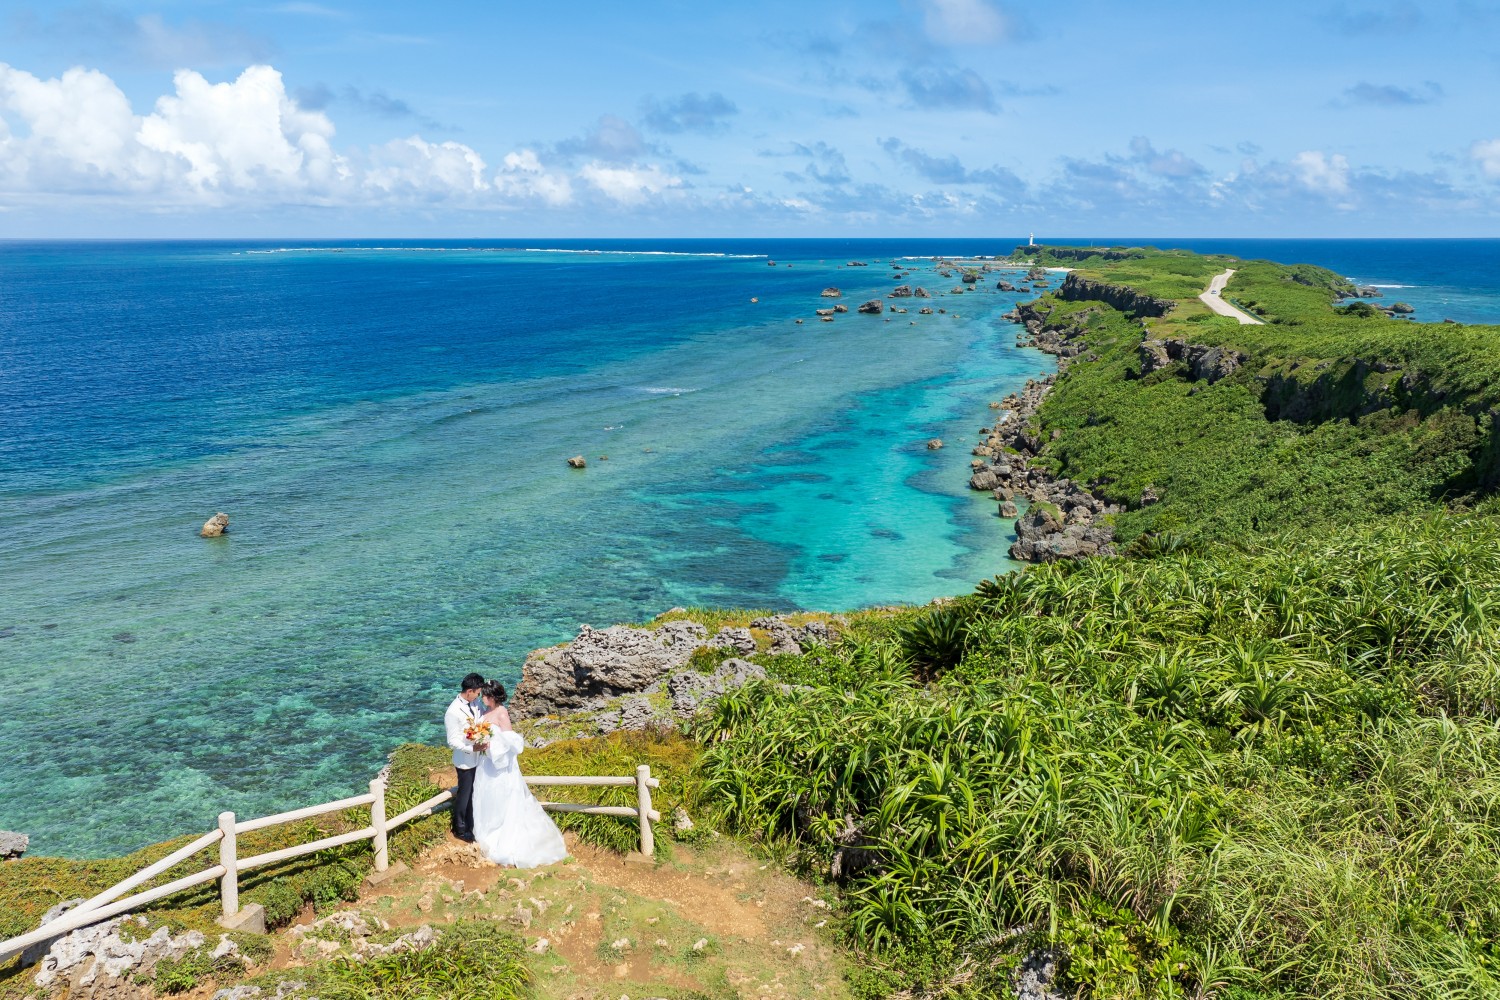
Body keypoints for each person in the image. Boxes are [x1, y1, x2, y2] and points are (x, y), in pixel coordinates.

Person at [471, 679, 568, 868]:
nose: (482, 697)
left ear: (491, 697)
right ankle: (488, 833)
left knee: (503, 796)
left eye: (484, 695)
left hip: (499, 763)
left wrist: (491, 746)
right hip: (486, 763)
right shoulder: (484, 711)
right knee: (487, 795)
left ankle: (505, 838)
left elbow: (511, 741)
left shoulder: (501, 712)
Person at [443, 672, 487, 842]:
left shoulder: (474, 703)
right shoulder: (453, 712)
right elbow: (452, 741)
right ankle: (460, 829)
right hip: (464, 760)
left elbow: (481, 718)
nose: (479, 696)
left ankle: (471, 823)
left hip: (478, 757)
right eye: (477, 693)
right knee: (464, 794)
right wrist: (472, 747)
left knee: (474, 792)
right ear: (469, 691)